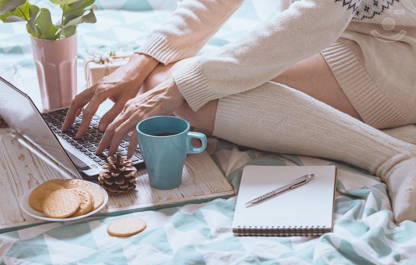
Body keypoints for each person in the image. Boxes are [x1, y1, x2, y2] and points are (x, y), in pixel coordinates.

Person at [62, 0, 416, 223]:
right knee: (162, 80)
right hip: (342, 36)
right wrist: (136, 65)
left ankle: (395, 157)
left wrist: (182, 84)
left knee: (181, 93)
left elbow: (315, 16)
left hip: (399, 56)